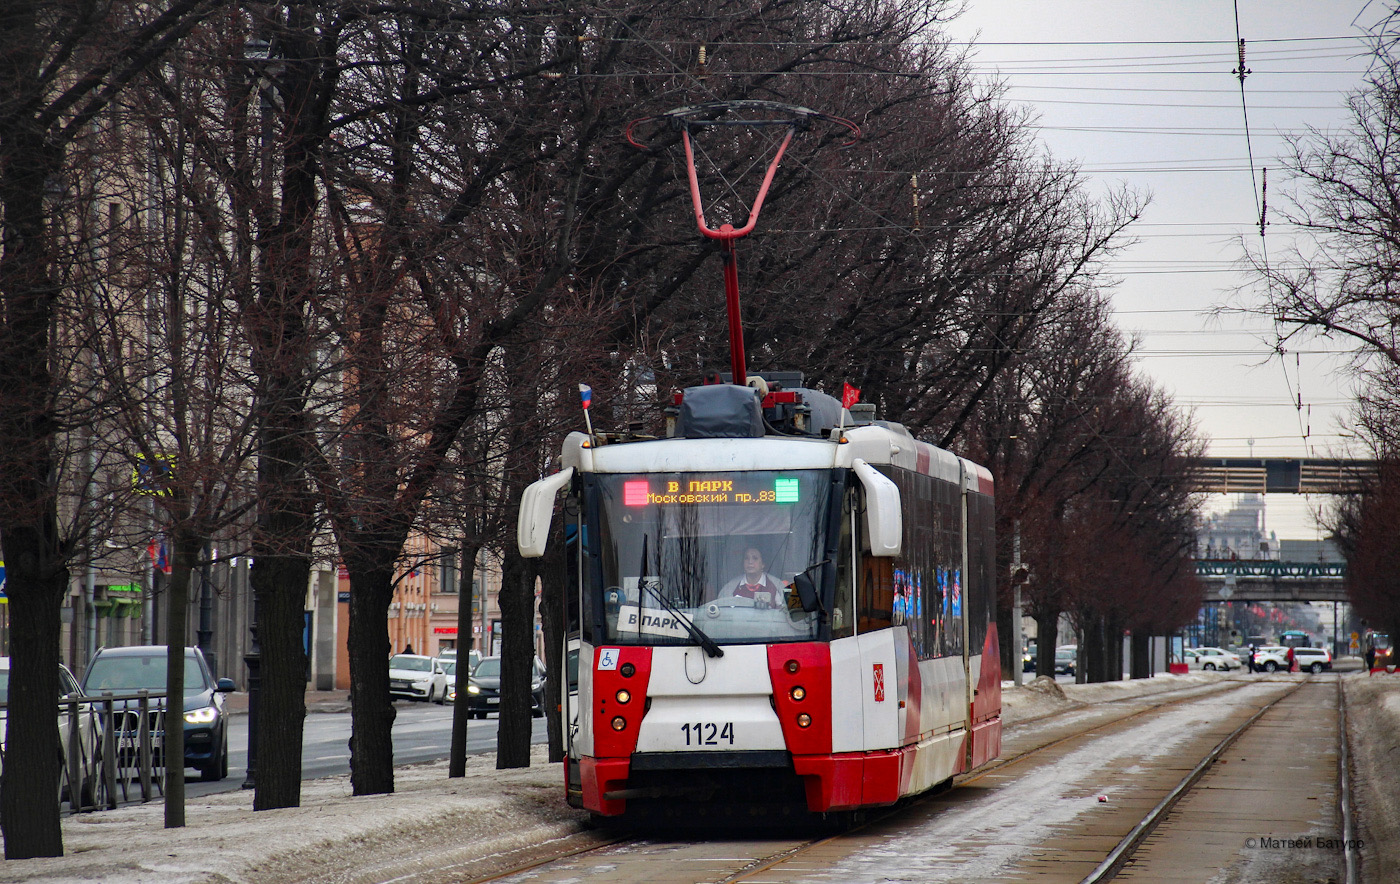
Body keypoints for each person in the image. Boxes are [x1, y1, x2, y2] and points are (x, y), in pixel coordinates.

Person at [720, 547, 788, 608]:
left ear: (763, 564)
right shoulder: (730, 587)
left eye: (755, 558)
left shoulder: (777, 585)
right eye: (746, 558)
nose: (750, 562)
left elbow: (786, 612)